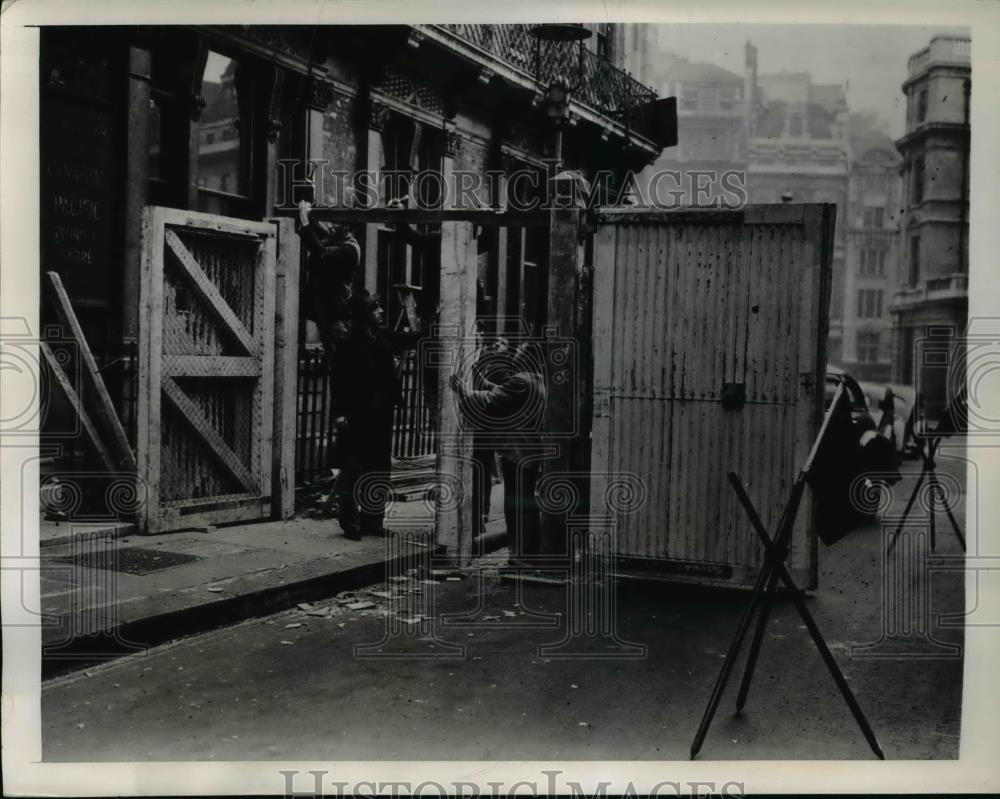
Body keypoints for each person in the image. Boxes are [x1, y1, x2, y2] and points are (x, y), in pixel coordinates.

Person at [449, 342, 546, 565]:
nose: (515, 355)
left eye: (519, 351)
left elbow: (491, 399)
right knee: (525, 504)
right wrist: (478, 378)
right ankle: (529, 553)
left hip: (517, 451)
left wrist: (463, 390)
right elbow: (499, 391)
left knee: (516, 507)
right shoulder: (536, 380)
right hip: (527, 451)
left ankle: (522, 557)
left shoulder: (521, 381)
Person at [330, 290, 401, 540]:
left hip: (381, 415)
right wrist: (338, 413)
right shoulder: (348, 344)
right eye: (375, 309)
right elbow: (338, 380)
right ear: (364, 315)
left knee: (378, 468)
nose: (381, 312)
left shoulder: (383, 337)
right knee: (352, 468)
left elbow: (410, 339)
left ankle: (373, 521)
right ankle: (349, 522)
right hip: (356, 415)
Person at [296, 200, 361, 365]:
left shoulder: (349, 250)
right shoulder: (339, 238)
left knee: (340, 362)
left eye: (335, 223)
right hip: (328, 312)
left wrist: (304, 218)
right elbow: (321, 231)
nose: (331, 226)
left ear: (346, 227)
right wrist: (310, 217)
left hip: (335, 314)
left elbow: (319, 251)